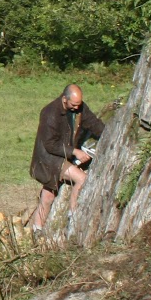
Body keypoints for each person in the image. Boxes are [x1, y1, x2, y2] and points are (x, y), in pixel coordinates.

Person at [29, 84, 105, 234]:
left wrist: (109, 133)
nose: (77, 108)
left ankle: (36, 229)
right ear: (64, 99)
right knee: (81, 179)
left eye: (79, 104)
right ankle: (73, 217)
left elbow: (94, 124)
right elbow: (50, 144)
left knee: (48, 195)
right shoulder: (50, 113)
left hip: (63, 157)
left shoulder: (79, 108)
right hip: (50, 159)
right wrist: (75, 152)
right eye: (73, 104)